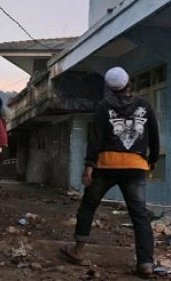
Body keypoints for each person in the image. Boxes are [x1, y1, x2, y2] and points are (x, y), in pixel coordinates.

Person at [62, 66, 160, 278]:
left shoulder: (103, 106)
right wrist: (152, 160)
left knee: (88, 206)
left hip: (106, 166)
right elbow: (154, 134)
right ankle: (145, 264)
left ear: (109, 87)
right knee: (139, 215)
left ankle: (78, 250)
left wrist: (89, 165)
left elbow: (95, 138)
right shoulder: (144, 105)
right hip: (135, 166)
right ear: (129, 82)